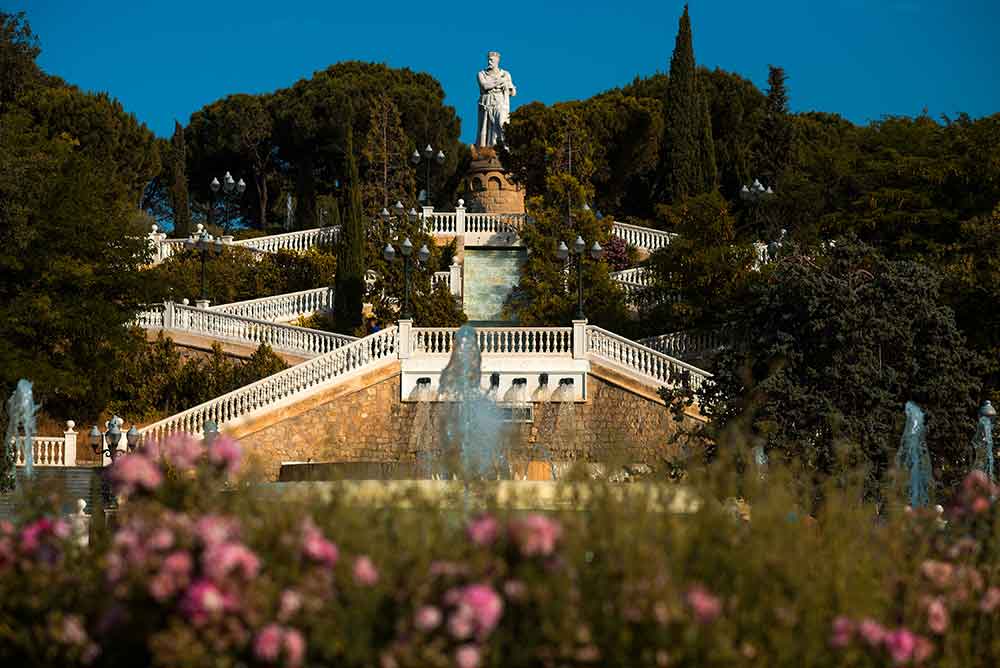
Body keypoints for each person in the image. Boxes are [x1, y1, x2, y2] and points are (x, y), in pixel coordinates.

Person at [476, 51, 516, 147]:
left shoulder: (505, 74)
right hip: (486, 102)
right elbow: (485, 86)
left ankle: (501, 147)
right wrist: (500, 82)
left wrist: (509, 87)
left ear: (497, 62)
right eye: (488, 60)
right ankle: (486, 149)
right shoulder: (481, 74)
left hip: (500, 102)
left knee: (501, 123)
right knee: (485, 128)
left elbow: (513, 92)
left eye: (491, 60)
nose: (489, 62)